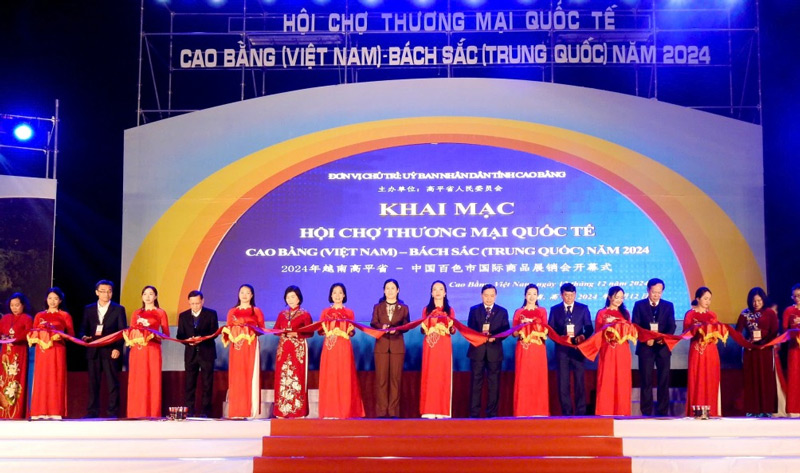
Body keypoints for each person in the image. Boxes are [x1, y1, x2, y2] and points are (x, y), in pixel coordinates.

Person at [82, 280, 127, 418]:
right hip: (94, 351)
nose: (106, 294)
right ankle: (92, 412)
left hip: (110, 350)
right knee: (93, 383)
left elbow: (122, 331)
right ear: (97, 292)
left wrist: (118, 349)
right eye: (103, 291)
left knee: (112, 383)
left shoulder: (119, 309)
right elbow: (82, 329)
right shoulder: (88, 309)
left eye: (109, 291)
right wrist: (84, 337)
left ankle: (112, 412)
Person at [318, 282, 365, 419]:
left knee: (345, 376)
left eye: (340, 292)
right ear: (331, 295)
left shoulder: (349, 312)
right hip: (329, 347)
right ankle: (329, 411)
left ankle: (344, 411)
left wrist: (341, 330)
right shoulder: (325, 312)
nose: (337, 295)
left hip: (343, 346)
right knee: (330, 376)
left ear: (344, 295)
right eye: (334, 292)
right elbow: (320, 331)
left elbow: (352, 332)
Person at [631, 278, 676, 416]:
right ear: (648, 290)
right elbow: (635, 325)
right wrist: (646, 339)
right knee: (646, 380)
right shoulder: (639, 305)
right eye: (654, 292)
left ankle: (663, 412)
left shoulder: (668, 305)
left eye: (659, 292)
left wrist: (663, 338)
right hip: (646, 348)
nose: (656, 295)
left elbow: (671, 326)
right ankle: (646, 412)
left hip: (662, 348)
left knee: (663, 379)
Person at [548, 282, 593, 415]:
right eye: (566, 295)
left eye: (571, 295)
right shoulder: (554, 309)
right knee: (563, 382)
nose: (569, 298)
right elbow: (550, 329)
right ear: (561, 295)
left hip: (578, 350)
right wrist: (560, 337)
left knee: (579, 381)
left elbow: (589, 328)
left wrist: (583, 336)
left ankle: (581, 412)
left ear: (575, 294)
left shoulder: (583, 308)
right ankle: (566, 412)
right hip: (562, 350)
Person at [29, 287, 75, 419]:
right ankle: (39, 411)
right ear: (46, 299)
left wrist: (57, 334)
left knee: (55, 379)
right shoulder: (39, 315)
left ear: (60, 300)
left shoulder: (64, 315)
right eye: (50, 298)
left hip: (57, 350)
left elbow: (71, 334)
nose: (52, 301)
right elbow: (33, 332)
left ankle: (55, 411)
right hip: (42, 351)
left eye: (55, 298)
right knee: (41, 379)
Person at [126, 285, 170, 418]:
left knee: (152, 380)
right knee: (137, 380)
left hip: (153, 350)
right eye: (145, 294)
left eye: (151, 294)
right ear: (142, 296)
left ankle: (152, 412)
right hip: (137, 351)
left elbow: (166, 334)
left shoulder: (160, 312)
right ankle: (135, 412)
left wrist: (150, 332)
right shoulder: (136, 313)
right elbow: (131, 331)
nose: (148, 296)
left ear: (155, 296)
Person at [467, 283, 510, 418]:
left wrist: (495, 338)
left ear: (495, 296)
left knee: (494, 384)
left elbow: (506, 330)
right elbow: (470, 329)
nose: (489, 298)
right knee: (476, 383)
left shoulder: (502, 312)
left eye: (492, 296)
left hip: (494, 351)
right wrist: (480, 336)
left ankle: (492, 414)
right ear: (481, 295)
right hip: (477, 351)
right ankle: (474, 414)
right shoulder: (474, 310)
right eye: (486, 295)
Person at [735, 287, 779, 417]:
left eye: (759, 300)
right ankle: (752, 410)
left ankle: (766, 410)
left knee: (766, 380)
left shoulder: (770, 313)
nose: (756, 304)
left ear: (763, 300)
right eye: (754, 301)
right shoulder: (745, 313)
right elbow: (737, 332)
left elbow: (774, 331)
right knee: (751, 380)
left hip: (765, 351)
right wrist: (746, 343)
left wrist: (765, 343)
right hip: (751, 351)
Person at [370, 278, 410, 418]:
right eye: (387, 288)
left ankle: (393, 411)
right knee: (381, 379)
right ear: (384, 290)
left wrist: (397, 329)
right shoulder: (378, 307)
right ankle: (381, 411)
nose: (390, 291)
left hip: (397, 346)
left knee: (395, 380)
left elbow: (406, 325)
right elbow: (373, 322)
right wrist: (383, 327)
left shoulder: (403, 308)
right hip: (381, 346)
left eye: (393, 288)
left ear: (398, 290)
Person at [176, 290, 219, 418]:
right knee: (190, 384)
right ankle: (189, 411)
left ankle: (205, 412)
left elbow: (214, 333)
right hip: (191, 354)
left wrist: (202, 338)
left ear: (202, 301)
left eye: (197, 303)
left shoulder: (211, 314)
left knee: (207, 384)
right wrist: (188, 341)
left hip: (207, 353)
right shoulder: (183, 316)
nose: (195, 306)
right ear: (189, 302)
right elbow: (180, 335)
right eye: (192, 303)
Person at [272, 285, 313, 418]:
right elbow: (275, 330)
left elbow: (310, 332)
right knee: (283, 376)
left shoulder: (305, 314)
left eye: (293, 296)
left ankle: (298, 410)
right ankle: (281, 410)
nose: (290, 299)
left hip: (298, 349)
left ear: (299, 298)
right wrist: (282, 332)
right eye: (288, 297)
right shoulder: (282, 314)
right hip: (284, 348)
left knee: (297, 376)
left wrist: (297, 334)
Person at [225, 284, 265, 418]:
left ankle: (249, 410)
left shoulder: (256, 311)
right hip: (236, 348)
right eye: (242, 292)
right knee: (237, 377)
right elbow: (228, 329)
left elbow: (262, 329)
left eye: (248, 293)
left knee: (249, 375)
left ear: (252, 295)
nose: (244, 295)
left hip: (250, 346)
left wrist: (248, 328)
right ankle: (236, 411)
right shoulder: (232, 311)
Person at [594, 286, 635, 416]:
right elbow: (597, 332)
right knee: (607, 380)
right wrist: (609, 325)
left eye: (621, 298)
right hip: (608, 350)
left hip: (622, 350)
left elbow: (630, 330)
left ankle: (622, 411)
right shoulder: (602, 313)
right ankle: (604, 411)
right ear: (610, 297)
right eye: (616, 297)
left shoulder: (626, 313)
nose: (619, 300)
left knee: (622, 381)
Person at [420, 280, 456, 419]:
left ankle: (442, 410)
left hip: (444, 345)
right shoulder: (426, 310)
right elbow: (422, 330)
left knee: (442, 375)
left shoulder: (449, 310)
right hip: (430, 345)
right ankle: (428, 409)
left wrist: (449, 325)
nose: (438, 292)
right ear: (431, 293)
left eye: (441, 289)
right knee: (430, 374)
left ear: (445, 292)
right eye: (435, 289)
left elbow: (453, 330)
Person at [684, 287, 723, 417]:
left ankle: (711, 411)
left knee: (710, 379)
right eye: (705, 299)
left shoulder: (712, 315)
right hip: (696, 350)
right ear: (698, 299)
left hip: (711, 350)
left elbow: (717, 332)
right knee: (696, 379)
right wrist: (696, 328)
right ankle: (696, 411)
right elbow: (686, 333)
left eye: (709, 299)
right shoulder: (690, 314)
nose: (707, 301)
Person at [512, 284, 549, 416]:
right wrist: (523, 327)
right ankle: (522, 411)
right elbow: (514, 333)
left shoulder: (542, 311)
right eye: (529, 294)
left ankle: (539, 411)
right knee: (523, 378)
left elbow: (546, 330)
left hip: (538, 348)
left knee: (538, 378)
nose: (532, 296)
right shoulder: (519, 312)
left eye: (534, 294)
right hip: (524, 348)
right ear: (524, 295)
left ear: (537, 296)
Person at [0, 293, 33, 418]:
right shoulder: (5, 318)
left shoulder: (27, 318)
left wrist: (15, 339)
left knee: (15, 381)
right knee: (3, 380)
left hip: (18, 353)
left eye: (17, 305)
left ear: (23, 305)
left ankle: (15, 413)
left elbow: (28, 333)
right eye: (12, 305)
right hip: (5, 353)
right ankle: (3, 412)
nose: (14, 308)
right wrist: (3, 337)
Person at [783, 284, 800, 416]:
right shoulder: (789, 310)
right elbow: (784, 330)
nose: (797, 298)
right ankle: (794, 409)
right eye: (794, 296)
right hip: (794, 348)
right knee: (794, 376)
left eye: (799, 296)